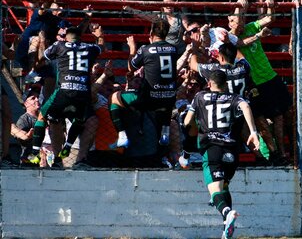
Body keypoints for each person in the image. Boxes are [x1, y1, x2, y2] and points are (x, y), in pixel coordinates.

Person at [183, 70, 260, 239]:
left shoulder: (200, 97)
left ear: (209, 84)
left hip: (212, 149)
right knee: (224, 187)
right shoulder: (233, 98)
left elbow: (187, 122)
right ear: (226, 84)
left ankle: (227, 212)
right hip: (232, 150)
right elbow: (246, 106)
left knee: (214, 191)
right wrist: (253, 132)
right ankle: (226, 229)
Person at [26, 26, 101, 165]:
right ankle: (67, 146)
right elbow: (101, 47)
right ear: (81, 37)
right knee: (79, 119)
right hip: (82, 93)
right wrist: (99, 36)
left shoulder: (59, 45)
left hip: (64, 91)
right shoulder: (90, 47)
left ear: (66, 37)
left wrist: (41, 42)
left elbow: (43, 57)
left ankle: (35, 153)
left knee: (42, 116)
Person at [230, 0, 292, 164]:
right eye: (236, 19)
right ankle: (272, 154)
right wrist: (239, 7)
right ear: (230, 22)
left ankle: (284, 153)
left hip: (271, 78)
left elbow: (270, 19)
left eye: (242, 18)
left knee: (282, 116)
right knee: (262, 121)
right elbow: (239, 39)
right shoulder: (230, 38)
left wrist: (270, 7)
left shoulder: (251, 27)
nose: (240, 22)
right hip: (255, 84)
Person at [109, 20, 177, 166]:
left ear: (151, 34)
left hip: (149, 98)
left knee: (115, 98)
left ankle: (121, 135)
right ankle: (165, 131)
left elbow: (130, 68)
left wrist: (132, 49)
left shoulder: (146, 49)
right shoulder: (174, 49)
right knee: (164, 107)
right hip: (169, 99)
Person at [10, 85, 41, 166]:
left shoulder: (43, 117)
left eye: (38, 97)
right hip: (30, 159)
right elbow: (21, 141)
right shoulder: (24, 119)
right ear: (26, 103)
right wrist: (28, 137)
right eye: (33, 98)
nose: (37, 99)